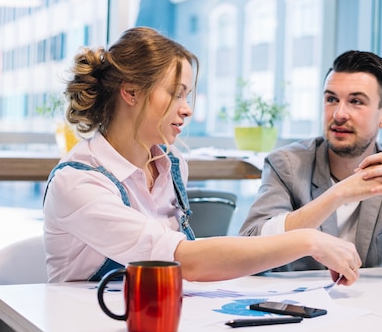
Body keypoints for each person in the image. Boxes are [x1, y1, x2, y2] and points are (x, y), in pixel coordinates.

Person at [43, 27, 361, 285]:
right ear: (131, 92)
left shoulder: (172, 165)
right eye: (175, 93)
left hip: (155, 329)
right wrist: (309, 241)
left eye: (188, 95)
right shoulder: (78, 181)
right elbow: (184, 260)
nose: (187, 109)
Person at [239, 50, 382, 272]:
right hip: (295, 303)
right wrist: (339, 193)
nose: (339, 114)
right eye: (331, 99)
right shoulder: (287, 164)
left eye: (356, 101)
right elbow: (249, 247)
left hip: (367, 303)